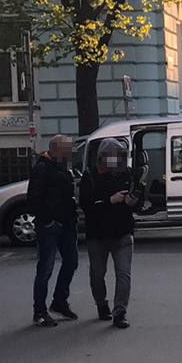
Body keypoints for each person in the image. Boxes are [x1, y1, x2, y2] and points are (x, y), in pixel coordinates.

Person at [80, 137, 142, 328]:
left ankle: (120, 312)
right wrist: (110, 200)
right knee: (97, 275)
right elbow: (86, 204)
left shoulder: (127, 174)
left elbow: (138, 197)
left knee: (124, 275)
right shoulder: (90, 176)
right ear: (103, 158)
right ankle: (101, 303)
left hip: (123, 231)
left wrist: (133, 201)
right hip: (97, 234)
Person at [29, 134, 79, 327]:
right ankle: (39, 311)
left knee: (71, 262)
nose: (69, 153)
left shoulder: (60, 167)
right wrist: (48, 221)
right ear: (56, 149)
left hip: (66, 223)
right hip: (51, 225)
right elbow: (34, 199)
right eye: (66, 149)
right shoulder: (42, 169)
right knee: (45, 269)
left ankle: (59, 301)